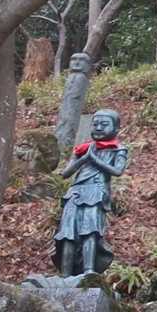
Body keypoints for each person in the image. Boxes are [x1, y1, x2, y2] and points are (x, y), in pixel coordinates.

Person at [55, 109, 128, 276]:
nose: (99, 128)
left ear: (116, 129)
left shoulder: (118, 149)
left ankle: (89, 270)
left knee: (90, 230)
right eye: (95, 124)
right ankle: (65, 274)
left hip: (96, 190)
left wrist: (93, 159)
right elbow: (65, 173)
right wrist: (83, 158)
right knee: (68, 232)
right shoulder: (83, 149)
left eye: (104, 124)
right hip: (75, 191)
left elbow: (117, 171)